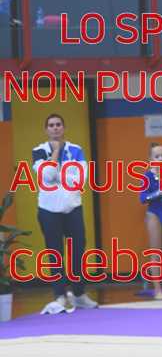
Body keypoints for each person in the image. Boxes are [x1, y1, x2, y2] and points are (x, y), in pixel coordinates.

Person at [32, 113, 98, 313]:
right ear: (46, 129)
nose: (55, 128)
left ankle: (78, 294)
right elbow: (46, 176)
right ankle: (59, 296)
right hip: (48, 210)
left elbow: (80, 179)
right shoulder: (39, 151)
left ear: (64, 127)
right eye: (51, 125)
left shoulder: (76, 150)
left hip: (72, 208)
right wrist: (56, 153)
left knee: (78, 250)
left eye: (58, 124)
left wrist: (58, 176)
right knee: (55, 253)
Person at [140, 142, 162, 300]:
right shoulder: (147, 176)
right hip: (154, 213)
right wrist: (159, 192)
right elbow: (143, 198)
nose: (161, 158)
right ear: (150, 159)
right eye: (157, 156)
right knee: (156, 252)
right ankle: (157, 289)